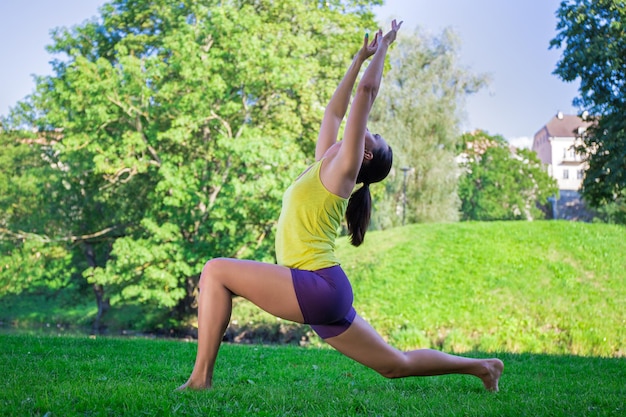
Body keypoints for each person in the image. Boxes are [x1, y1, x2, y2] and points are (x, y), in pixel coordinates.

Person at [178, 20, 503, 392]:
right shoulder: (326, 164)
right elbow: (333, 114)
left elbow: (367, 91)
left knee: (216, 271)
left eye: (374, 136)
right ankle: (484, 367)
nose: (370, 128)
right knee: (394, 364)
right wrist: (358, 56)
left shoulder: (345, 169)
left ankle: (200, 380)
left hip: (316, 284)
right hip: (322, 289)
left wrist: (385, 47)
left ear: (365, 154)